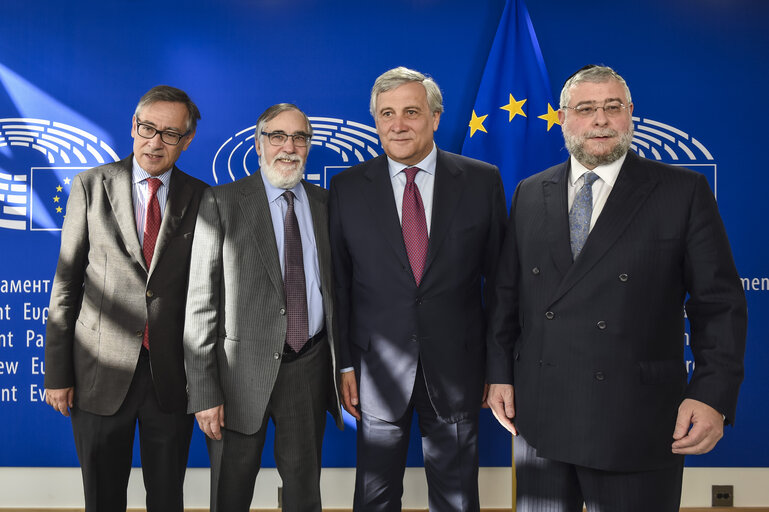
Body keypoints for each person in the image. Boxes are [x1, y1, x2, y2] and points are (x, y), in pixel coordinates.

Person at [486, 65, 747, 512]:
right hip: (541, 416)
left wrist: (710, 394)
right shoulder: (530, 192)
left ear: (631, 115)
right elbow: (507, 295)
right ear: (564, 118)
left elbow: (719, 304)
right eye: (586, 109)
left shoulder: (682, 191)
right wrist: (498, 374)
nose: (600, 119)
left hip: (637, 418)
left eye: (613, 107)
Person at [329, 67, 507, 511]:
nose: (398, 124)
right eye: (386, 114)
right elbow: (339, 284)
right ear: (375, 122)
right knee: (374, 496)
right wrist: (345, 366)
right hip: (375, 370)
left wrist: (499, 366)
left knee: (457, 496)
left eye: (411, 111)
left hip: (458, 367)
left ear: (435, 117)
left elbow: (503, 283)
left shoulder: (482, 181)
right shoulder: (347, 188)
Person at [44, 85, 208, 512]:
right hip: (97, 374)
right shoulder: (90, 186)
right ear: (133, 126)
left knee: (167, 497)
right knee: (102, 497)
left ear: (186, 140)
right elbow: (66, 286)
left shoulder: (203, 197)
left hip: (171, 377)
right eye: (147, 128)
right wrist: (57, 374)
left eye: (170, 133)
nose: (155, 141)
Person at [183, 103, 343, 512]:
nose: (288, 147)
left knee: (304, 495)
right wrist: (203, 392)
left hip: (308, 369)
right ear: (258, 143)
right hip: (237, 378)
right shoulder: (221, 202)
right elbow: (200, 306)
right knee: (230, 495)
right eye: (277, 136)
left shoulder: (328, 205)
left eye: (299, 138)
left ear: (308, 145)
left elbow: (341, 293)